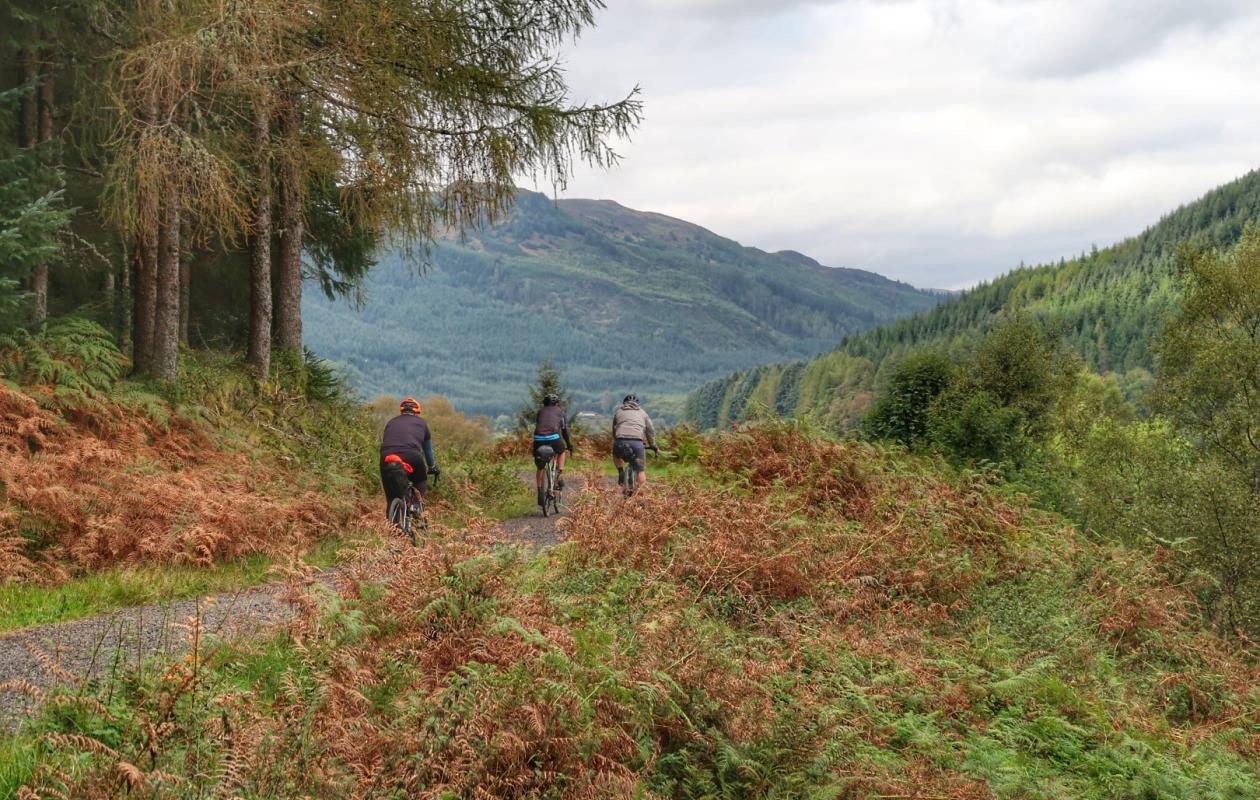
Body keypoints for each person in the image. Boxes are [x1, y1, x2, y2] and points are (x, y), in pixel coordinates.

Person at [379, 397, 439, 517]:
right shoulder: (422, 423)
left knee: (391, 497)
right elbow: (428, 451)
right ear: (416, 412)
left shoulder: (391, 422)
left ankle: (392, 521)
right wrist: (432, 466)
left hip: (387, 456)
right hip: (411, 455)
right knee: (420, 480)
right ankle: (415, 505)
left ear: (401, 410)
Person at [532, 392, 575, 508]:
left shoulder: (540, 411)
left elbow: (539, 424)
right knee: (562, 451)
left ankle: (540, 491)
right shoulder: (560, 412)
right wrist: (569, 445)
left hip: (538, 439)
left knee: (540, 467)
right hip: (553, 438)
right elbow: (564, 431)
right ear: (557, 403)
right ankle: (559, 474)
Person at [612, 393, 658, 493]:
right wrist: (652, 445)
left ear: (624, 403)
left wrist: (616, 441)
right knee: (640, 470)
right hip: (637, 443)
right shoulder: (643, 413)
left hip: (620, 440)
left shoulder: (618, 411)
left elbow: (614, 429)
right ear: (637, 404)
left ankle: (620, 471)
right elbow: (650, 431)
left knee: (616, 455)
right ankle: (640, 494)